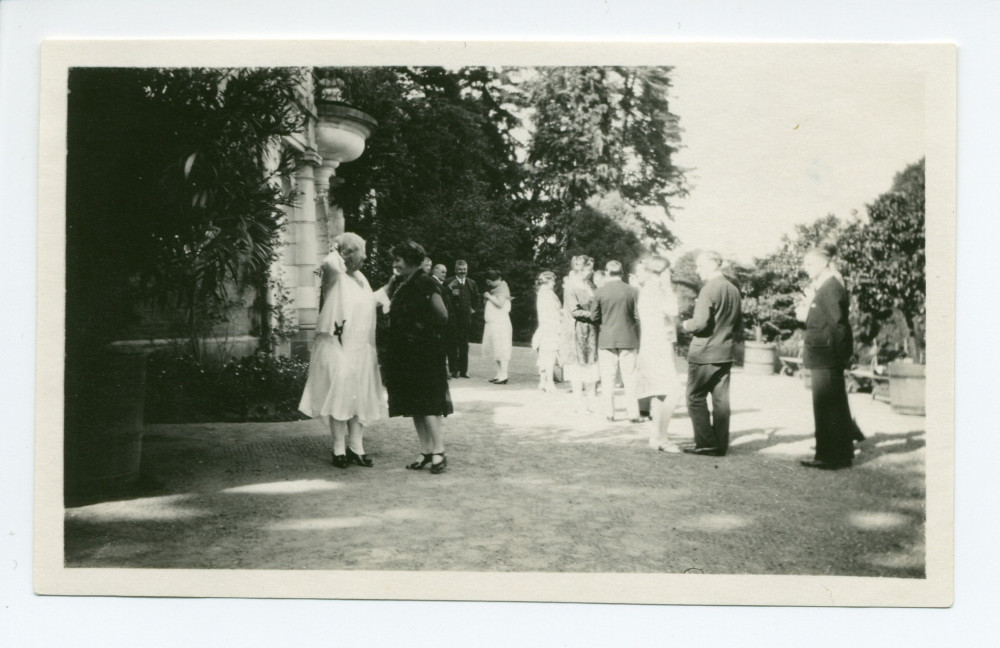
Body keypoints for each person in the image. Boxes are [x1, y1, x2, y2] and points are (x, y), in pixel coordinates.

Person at [298, 232, 385, 468]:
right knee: (340, 396)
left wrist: (389, 287)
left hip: (360, 347)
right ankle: (338, 449)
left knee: (359, 399)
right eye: (361, 254)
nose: (364, 259)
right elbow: (328, 262)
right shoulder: (334, 274)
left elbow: (367, 303)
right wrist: (337, 246)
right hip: (337, 346)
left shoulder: (360, 278)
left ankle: (356, 447)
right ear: (347, 254)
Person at [382, 240, 452, 474]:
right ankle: (425, 451)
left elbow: (442, 315)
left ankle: (439, 452)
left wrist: (420, 333)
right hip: (407, 354)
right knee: (415, 405)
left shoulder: (425, 282)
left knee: (428, 402)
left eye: (398, 260)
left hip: (424, 353)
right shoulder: (404, 283)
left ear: (410, 260)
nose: (395, 264)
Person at [798, 242, 862, 470]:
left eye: (810, 263)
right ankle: (839, 453)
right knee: (832, 404)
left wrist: (841, 356)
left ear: (824, 263)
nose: (806, 267)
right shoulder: (826, 286)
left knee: (826, 406)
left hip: (827, 356)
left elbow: (838, 325)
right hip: (825, 355)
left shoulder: (831, 286)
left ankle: (830, 456)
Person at [681, 251, 742, 457]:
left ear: (711, 265)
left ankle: (706, 443)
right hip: (725, 351)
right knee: (721, 401)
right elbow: (738, 324)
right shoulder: (733, 289)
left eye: (700, 266)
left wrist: (686, 324)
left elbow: (699, 324)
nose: (697, 270)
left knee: (695, 396)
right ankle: (720, 443)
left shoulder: (709, 289)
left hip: (705, 351)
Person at [636, 256, 683, 453]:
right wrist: (669, 287)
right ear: (664, 272)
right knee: (674, 391)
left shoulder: (646, 289)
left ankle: (656, 435)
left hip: (650, 346)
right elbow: (674, 310)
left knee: (659, 393)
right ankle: (662, 437)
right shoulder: (657, 290)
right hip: (658, 347)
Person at [590, 260, 642, 423]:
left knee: (607, 378)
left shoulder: (599, 291)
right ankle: (633, 414)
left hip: (606, 339)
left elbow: (593, 317)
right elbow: (637, 316)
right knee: (630, 378)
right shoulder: (633, 291)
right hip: (628, 338)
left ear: (606, 273)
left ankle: (609, 413)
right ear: (622, 273)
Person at [560, 255, 600, 411]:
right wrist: (594, 315)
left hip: (591, 330)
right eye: (590, 268)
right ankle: (578, 403)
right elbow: (574, 311)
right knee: (577, 367)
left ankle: (591, 402)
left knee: (591, 367)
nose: (592, 271)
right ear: (581, 269)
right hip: (576, 331)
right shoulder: (571, 286)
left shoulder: (590, 285)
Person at [446, 260, 478, 378]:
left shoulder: (471, 283)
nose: (462, 272)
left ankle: (464, 370)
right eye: (460, 269)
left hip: (465, 318)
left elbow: (476, 297)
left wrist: (473, 309)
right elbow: (444, 296)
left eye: (464, 269)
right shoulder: (449, 282)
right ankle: (454, 370)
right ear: (455, 270)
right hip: (453, 318)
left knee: (464, 343)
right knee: (452, 343)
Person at [532, 271, 563, 393]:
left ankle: (543, 381)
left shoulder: (542, 293)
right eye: (553, 281)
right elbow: (553, 313)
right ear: (549, 281)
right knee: (549, 356)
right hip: (551, 328)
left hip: (546, 327)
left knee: (545, 355)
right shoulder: (547, 294)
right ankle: (549, 383)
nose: (554, 284)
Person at [481, 269, 513, 384]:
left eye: (489, 281)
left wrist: (489, 296)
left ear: (495, 280)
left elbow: (500, 304)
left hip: (500, 323)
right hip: (494, 323)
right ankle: (499, 374)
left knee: (502, 349)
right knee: (496, 349)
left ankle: (504, 375)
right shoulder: (496, 289)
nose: (488, 284)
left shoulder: (503, 288)